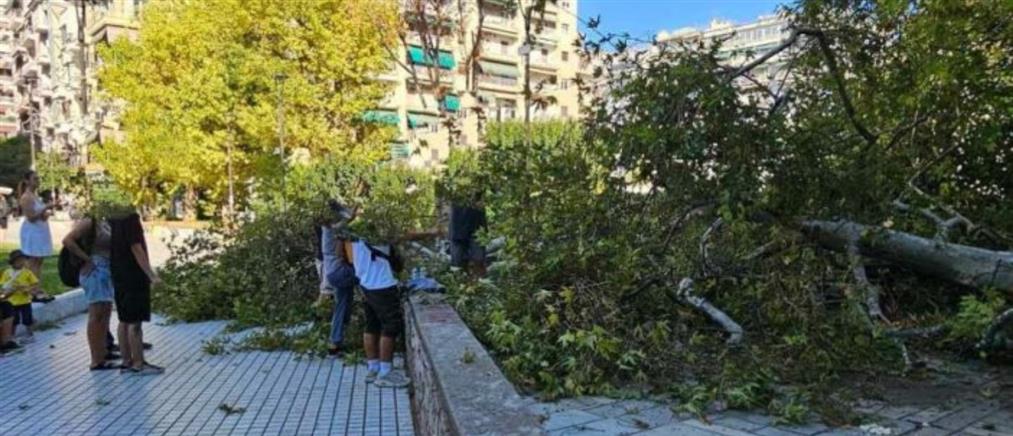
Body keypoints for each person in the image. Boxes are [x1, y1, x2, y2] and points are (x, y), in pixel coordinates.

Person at [63, 214, 120, 370]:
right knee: (96, 315)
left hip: (106, 270)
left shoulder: (106, 222)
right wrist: (87, 259)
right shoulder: (90, 222)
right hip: (95, 270)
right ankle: (96, 359)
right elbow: (68, 240)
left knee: (104, 314)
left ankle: (102, 353)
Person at [109, 211, 163, 375]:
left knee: (123, 318)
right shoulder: (130, 218)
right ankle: (138, 364)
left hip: (118, 272)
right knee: (135, 321)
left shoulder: (113, 217)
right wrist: (151, 275)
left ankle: (126, 361)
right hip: (133, 274)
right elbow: (136, 247)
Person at [17, 171, 54, 287]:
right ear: (27, 181)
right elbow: (31, 217)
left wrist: (47, 213)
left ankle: (36, 288)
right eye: (35, 179)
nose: (38, 181)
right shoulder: (26, 197)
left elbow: (40, 216)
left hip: (40, 231)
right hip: (32, 232)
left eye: (38, 179)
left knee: (39, 261)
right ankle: (31, 289)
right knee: (33, 261)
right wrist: (46, 207)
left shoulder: (35, 196)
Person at [1, 250, 44, 343]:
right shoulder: (7, 273)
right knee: (14, 320)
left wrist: (28, 289)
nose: (21, 263)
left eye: (23, 260)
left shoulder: (27, 272)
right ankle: (11, 336)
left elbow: (35, 284)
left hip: (25, 301)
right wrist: (8, 290)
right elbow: (3, 286)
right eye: (18, 261)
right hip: (12, 301)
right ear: (13, 262)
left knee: (27, 318)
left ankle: (30, 334)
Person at [449, 195, 487, 276]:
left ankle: (480, 286)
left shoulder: (479, 184)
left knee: (479, 261)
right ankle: (461, 286)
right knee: (457, 265)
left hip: (477, 226)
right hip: (457, 227)